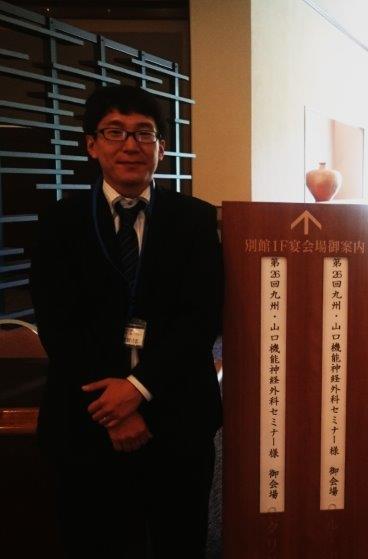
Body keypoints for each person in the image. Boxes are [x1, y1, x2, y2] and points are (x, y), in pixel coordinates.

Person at [31, 85, 223, 558]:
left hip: (176, 415)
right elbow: (58, 325)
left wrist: (137, 388)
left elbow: (201, 318)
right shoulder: (59, 222)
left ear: (161, 148)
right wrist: (113, 408)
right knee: (95, 541)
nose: (130, 145)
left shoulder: (196, 220)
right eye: (115, 132)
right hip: (87, 419)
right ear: (92, 145)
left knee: (180, 540)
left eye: (144, 133)